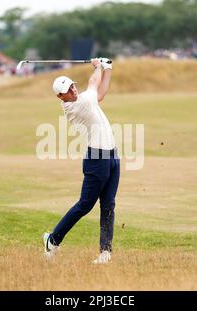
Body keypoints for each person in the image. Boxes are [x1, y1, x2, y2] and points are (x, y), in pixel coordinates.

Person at [43, 58, 119, 264]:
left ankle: (105, 253)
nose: (73, 90)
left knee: (109, 205)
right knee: (85, 205)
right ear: (61, 96)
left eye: (73, 86)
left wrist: (108, 68)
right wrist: (98, 66)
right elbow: (94, 84)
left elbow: (100, 94)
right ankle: (53, 239)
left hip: (112, 155)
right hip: (97, 159)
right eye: (68, 90)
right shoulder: (76, 107)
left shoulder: (85, 99)